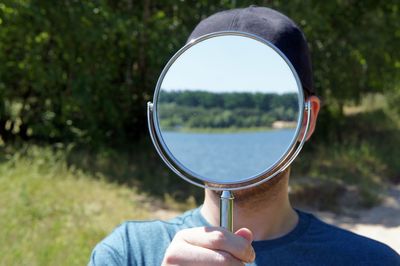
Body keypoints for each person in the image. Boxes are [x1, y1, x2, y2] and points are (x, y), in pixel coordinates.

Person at [89, 6, 400, 266]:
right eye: (203, 101)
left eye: (263, 97)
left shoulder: (372, 261)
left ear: (309, 118)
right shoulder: (126, 253)